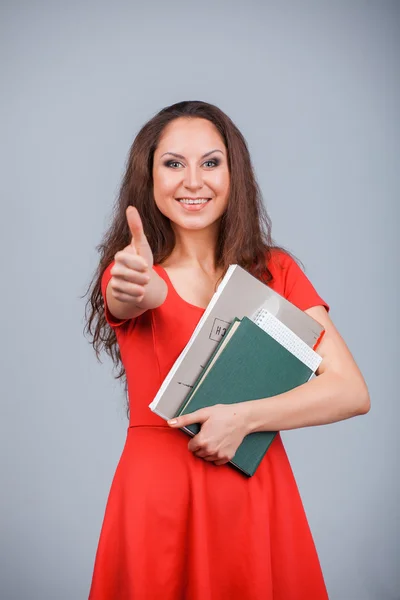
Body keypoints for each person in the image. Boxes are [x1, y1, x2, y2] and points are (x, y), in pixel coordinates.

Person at [84, 100, 370, 600]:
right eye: (173, 164)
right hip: (160, 500)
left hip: (255, 489)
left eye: (210, 162)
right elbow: (133, 297)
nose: (193, 180)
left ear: (235, 174)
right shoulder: (132, 271)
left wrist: (243, 419)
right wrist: (131, 284)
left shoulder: (275, 272)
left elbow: (350, 391)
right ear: (148, 179)